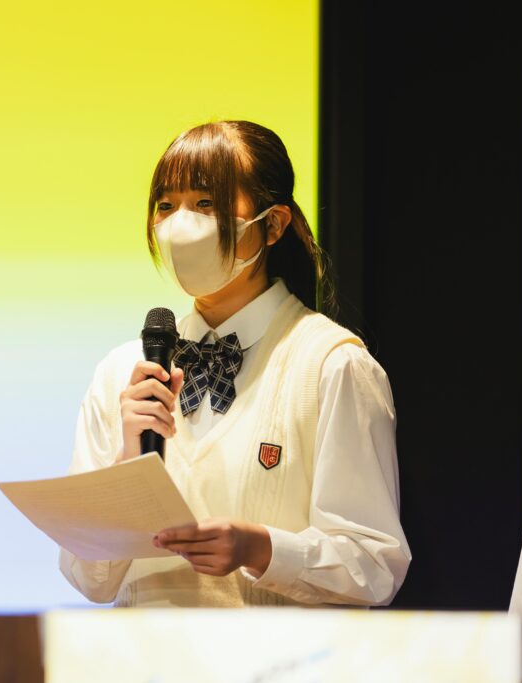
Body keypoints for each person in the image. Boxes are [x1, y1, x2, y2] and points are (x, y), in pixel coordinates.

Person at [58, 120, 411, 607]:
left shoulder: (332, 364)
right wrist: (126, 464)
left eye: (206, 203)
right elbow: (89, 577)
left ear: (273, 224)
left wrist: (263, 549)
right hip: (144, 650)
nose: (181, 223)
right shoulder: (123, 370)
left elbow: (374, 565)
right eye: (167, 205)